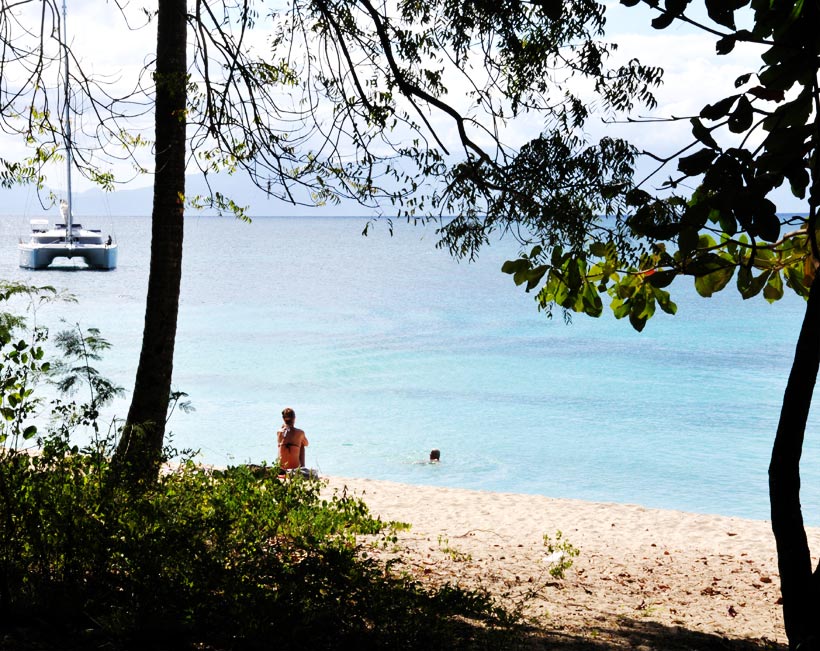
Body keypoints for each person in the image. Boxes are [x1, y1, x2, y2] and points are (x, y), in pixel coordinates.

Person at [277, 407, 309, 471]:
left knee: (280, 445)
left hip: (282, 469)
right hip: (295, 468)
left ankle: (280, 466)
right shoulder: (300, 433)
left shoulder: (279, 432)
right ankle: (302, 468)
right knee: (302, 444)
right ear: (294, 418)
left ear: (283, 419)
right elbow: (307, 444)